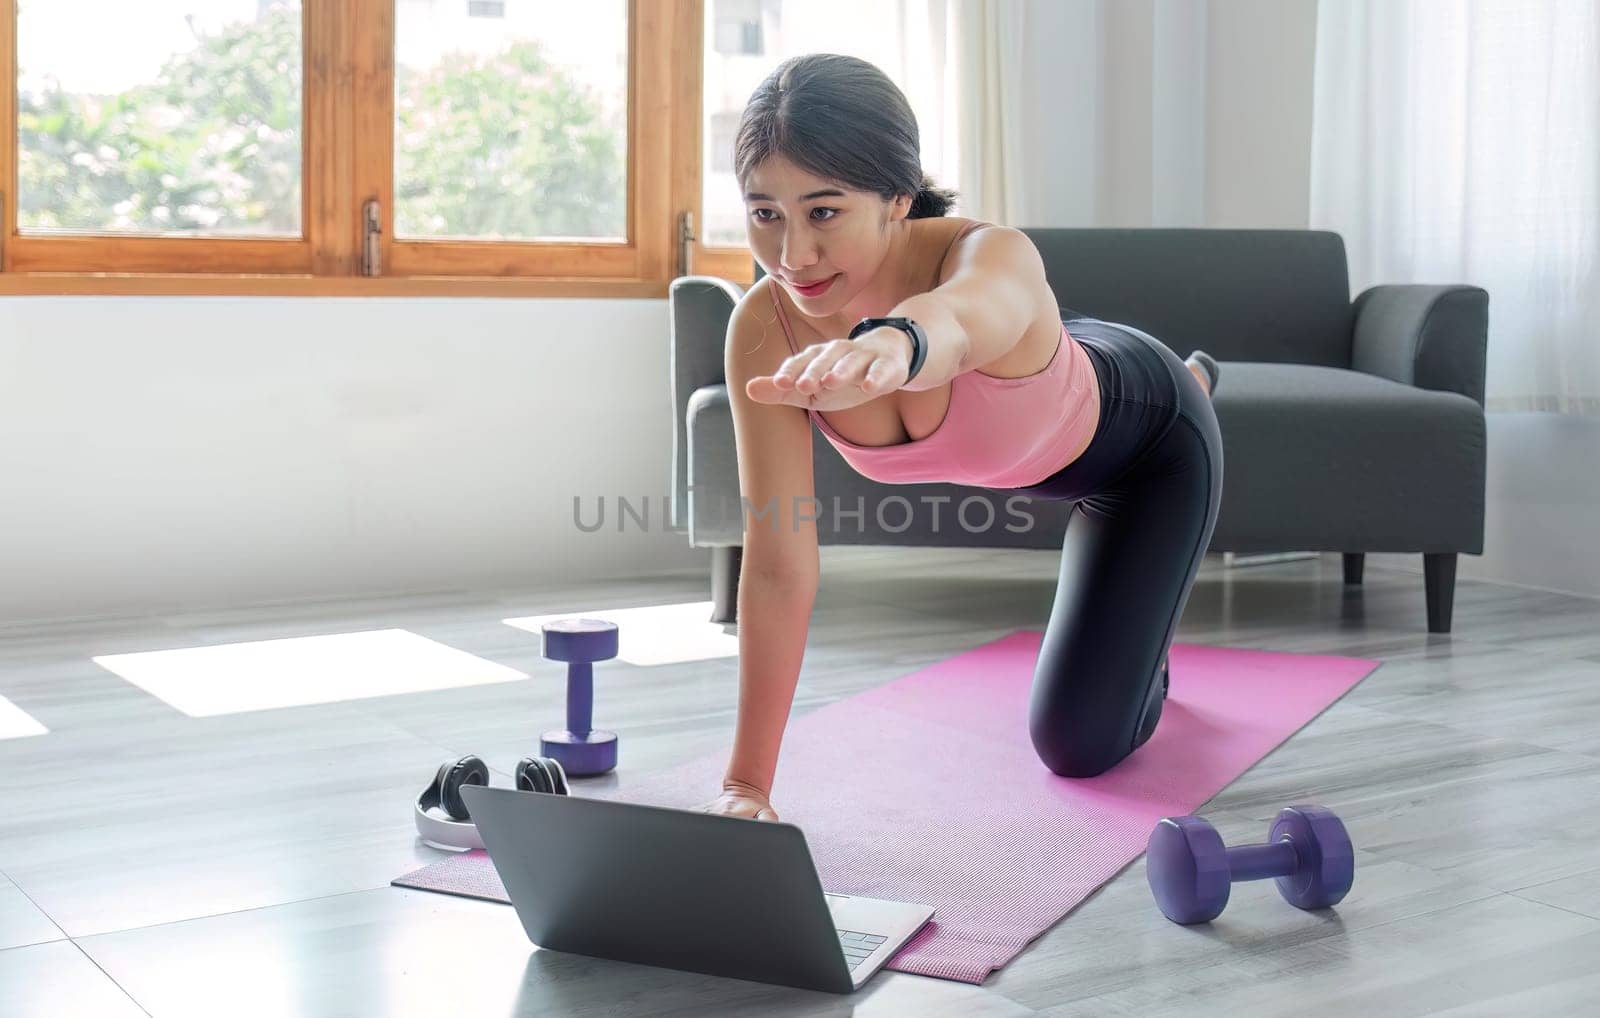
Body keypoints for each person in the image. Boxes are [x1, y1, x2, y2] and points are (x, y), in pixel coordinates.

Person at [697, 54, 1223, 823]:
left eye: (824, 211)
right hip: (1051, 385)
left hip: (1150, 441)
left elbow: (962, 318)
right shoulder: (764, 327)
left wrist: (897, 347)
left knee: (1078, 746)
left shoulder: (989, 257)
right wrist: (745, 787)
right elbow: (778, 567)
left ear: (897, 199)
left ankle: (1198, 385)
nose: (791, 255)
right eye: (765, 213)